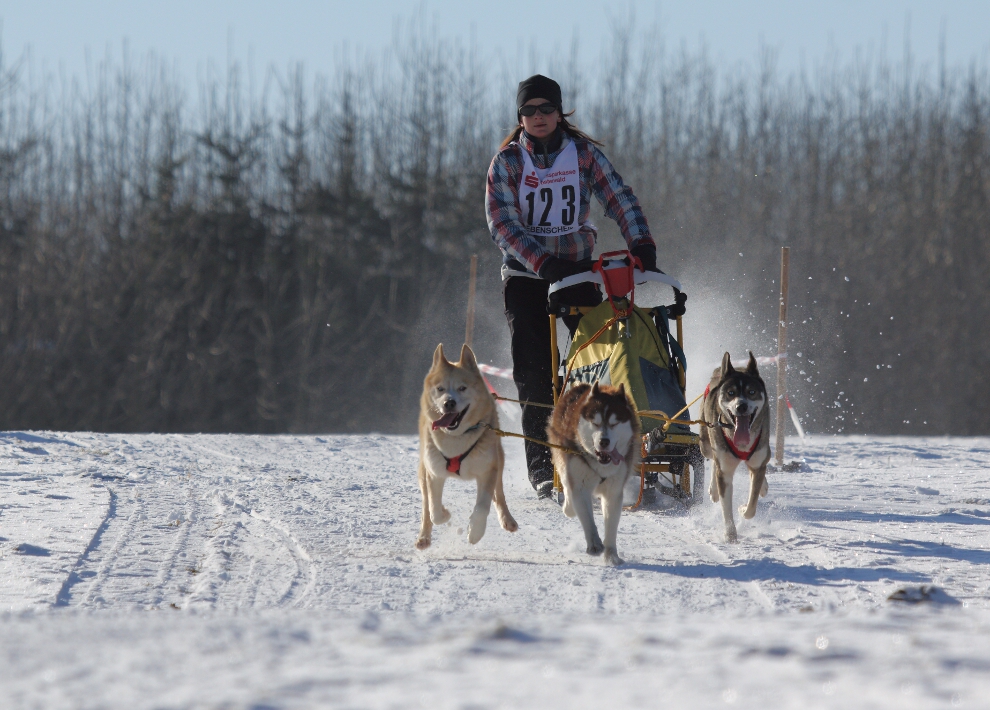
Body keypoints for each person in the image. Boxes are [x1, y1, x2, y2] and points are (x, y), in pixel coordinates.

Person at [485, 74, 659, 499]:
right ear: (520, 117)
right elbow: (502, 224)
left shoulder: (582, 155)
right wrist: (542, 261)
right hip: (528, 276)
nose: (538, 116)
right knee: (535, 373)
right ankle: (544, 468)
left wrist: (641, 241)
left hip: (579, 271)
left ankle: (602, 453)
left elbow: (617, 196)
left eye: (546, 109)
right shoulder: (506, 163)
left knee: (594, 362)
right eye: (529, 110)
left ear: (560, 113)